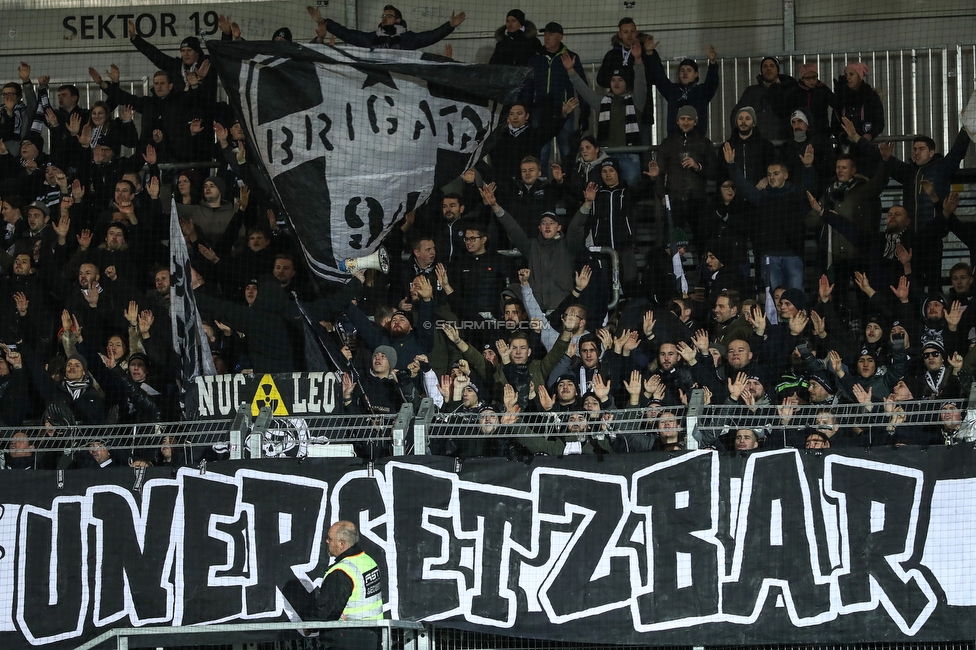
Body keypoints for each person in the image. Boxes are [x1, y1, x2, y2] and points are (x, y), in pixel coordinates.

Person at [313, 520, 384, 650]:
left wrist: (308, 626)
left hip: (346, 639)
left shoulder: (341, 571)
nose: (327, 541)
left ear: (341, 544)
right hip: (372, 637)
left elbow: (325, 612)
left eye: (330, 539)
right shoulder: (368, 561)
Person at [528, 22, 589, 169]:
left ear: (560, 37)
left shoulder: (571, 58)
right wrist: (527, 108)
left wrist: (584, 112)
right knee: (541, 150)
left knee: (567, 149)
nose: (547, 38)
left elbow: (581, 85)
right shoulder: (535, 58)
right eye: (545, 34)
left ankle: (569, 183)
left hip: (564, 109)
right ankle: (540, 186)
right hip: (539, 110)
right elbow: (528, 86)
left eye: (551, 34)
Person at [310, 4, 465, 50]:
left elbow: (431, 36)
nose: (384, 19)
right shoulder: (372, 38)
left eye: (388, 16)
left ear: (397, 20)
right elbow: (347, 34)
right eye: (383, 16)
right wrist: (324, 22)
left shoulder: (408, 39)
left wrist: (450, 25)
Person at [644, 41, 719, 135]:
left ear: (696, 74)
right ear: (678, 74)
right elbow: (659, 77)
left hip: (697, 140)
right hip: (675, 141)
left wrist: (712, 62)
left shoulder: (702, 91)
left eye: (689, 70)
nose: (685, 73)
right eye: (682, 70)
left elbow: (712, 82)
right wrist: (650, 53)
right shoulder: (672, 90)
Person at [730, 56, 794, 144]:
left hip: (784, 144)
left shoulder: (789, 90)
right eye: (765, 66)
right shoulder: (751, 92)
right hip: (758, 146)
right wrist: (740, 137)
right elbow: (736, 114)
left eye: (772, 66)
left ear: (777, 70)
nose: (768, 69)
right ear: (761, 70)